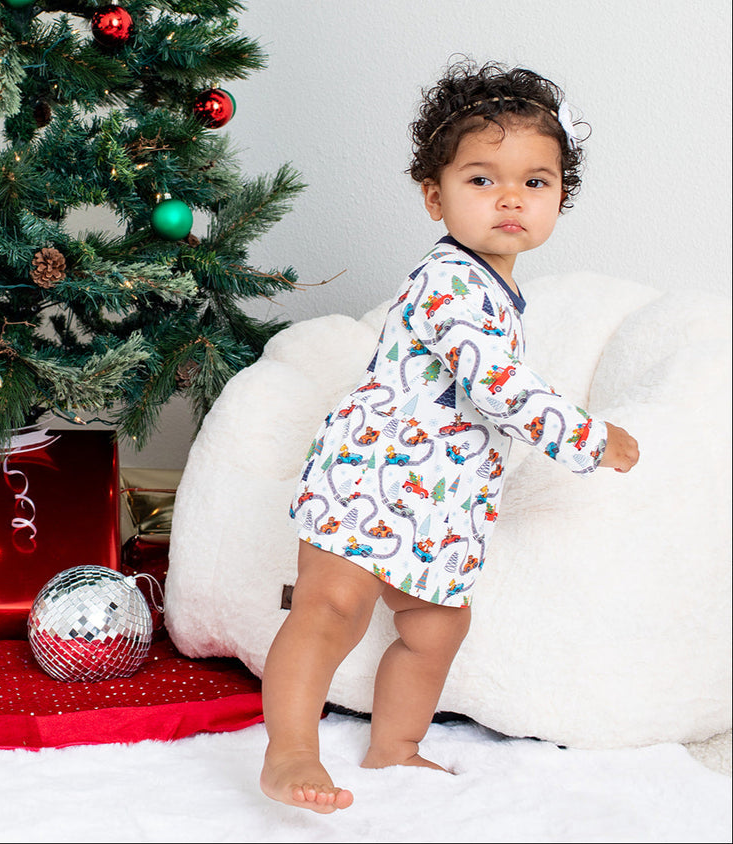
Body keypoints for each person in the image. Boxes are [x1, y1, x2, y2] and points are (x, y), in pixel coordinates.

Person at [259, 59, 640, 813]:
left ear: (561, 196)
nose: (510, 198)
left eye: (536, 182)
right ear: (434, 197)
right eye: (481, 179)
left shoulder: (499, 286)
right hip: (370, 473)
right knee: (330, 607)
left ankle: (396, 746)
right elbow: (496, 387)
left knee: (437, 625)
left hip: (438, 497)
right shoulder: (450, 281)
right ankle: (290, 750)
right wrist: (591, 438)